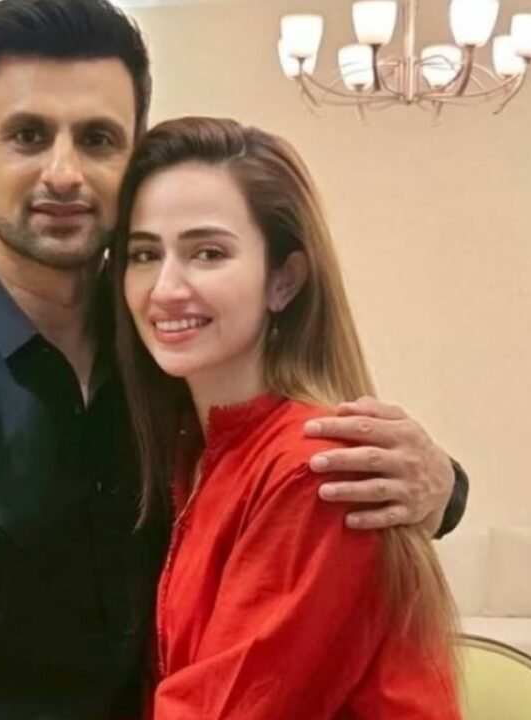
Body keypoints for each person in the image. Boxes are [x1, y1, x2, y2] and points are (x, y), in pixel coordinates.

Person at [0, 2, 469, 719]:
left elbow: (305, 490)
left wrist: (442, 486)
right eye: (28, 135)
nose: (64, 172)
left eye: (97, 139)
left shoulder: (177, 361)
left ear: (131, 156)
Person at [115, 117, 459, 719]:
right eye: (145, 254)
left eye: (207, 253)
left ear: (284, 280)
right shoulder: (192, 451)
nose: (165, 287)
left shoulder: (316, 471)